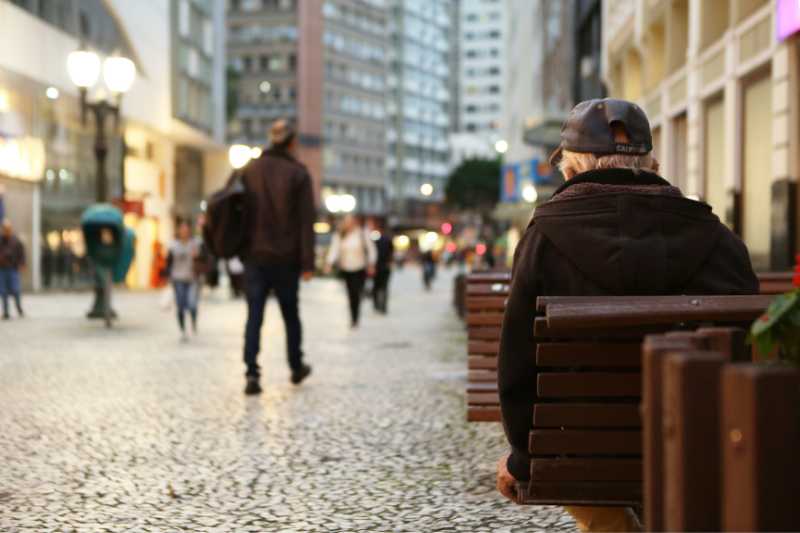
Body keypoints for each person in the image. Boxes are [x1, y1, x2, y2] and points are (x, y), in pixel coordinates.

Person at [495, 99, 760, 533]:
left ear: (570, 172)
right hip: (701, 440)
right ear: (653, 167)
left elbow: (517, 368)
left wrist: (524, 458)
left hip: (581, 451)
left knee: (568, 457)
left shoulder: (542, 240)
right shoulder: (721, 239)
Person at [236, 120, 316, 395]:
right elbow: (306, 222)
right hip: (286, 258)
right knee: (290, 314)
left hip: (255, 255)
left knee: (254, 315)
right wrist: (308, 263)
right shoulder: (298, 174)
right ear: (292, 143)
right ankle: (295, 365)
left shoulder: (250, 169)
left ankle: (251, 373)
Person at [325, 214, 377, 328]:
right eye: (346, 221)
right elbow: (334, 250)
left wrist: (372, 264)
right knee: (350, 293)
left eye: (350, 221)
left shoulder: (362, 233)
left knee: (356, 292)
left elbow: (372, 249)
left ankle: (356, 316)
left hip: (359, 267)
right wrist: (329, 264)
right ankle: (353, 317)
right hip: (346, 268)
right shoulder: (339, 234)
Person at [167, 220, 200, 342]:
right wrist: (168, 277)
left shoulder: (195, 244)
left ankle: (194, 323)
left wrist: (197, 256)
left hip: (192, 279)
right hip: (178, 278)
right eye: (182, 230)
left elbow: (205, 259)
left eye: (186, 230)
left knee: (192, 305)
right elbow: (169, 263)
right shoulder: (173, 246)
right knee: (180, 305)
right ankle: (182, 330)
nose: (184, 233)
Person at [0, 219, 25, 319]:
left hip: (13, 268)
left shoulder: (16, 241)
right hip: (2, 269)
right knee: (3, 291)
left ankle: (18, 306)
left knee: (15, 290)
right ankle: (6, 312)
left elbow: (21, 254)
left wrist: (22, 265)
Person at [372, 225, 394, 314]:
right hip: (385, 267)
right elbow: (391, 253)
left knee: (376, 286)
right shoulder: (388, 240)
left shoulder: (375, 241)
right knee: (384, 287)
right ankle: (383, 306)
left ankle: (376, 305)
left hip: (377, 267)